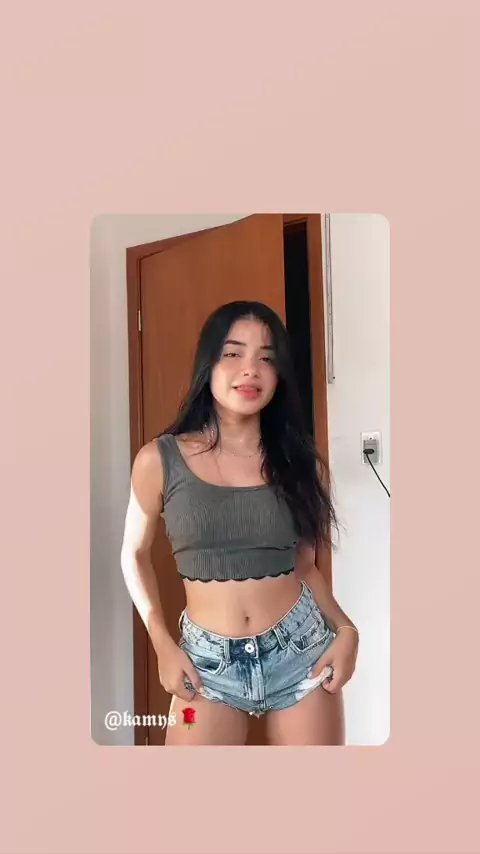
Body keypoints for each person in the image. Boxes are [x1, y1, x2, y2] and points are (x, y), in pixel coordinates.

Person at [121, 300, 359, 745]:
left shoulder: (301, 464)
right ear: (208, 363)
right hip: (205, 666)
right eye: (233, 353)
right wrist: (162, 644)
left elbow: (304, 566)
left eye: (266, 358)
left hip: (301, 653)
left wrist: (346, 630)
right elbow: (133, 555)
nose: (250, 369)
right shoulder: (158, 460)